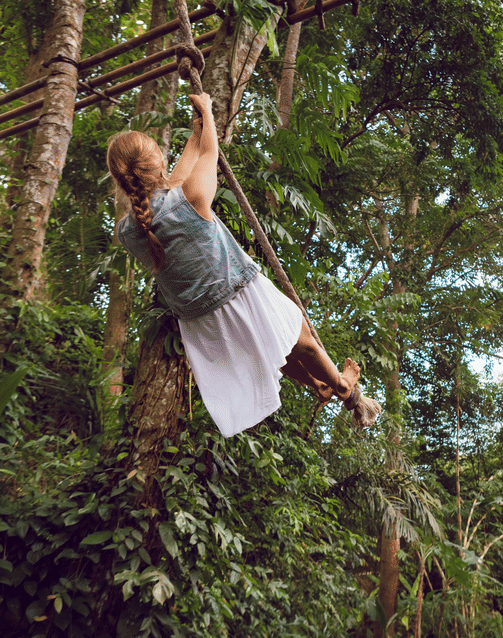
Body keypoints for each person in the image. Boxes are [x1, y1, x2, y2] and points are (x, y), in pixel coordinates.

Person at [108, 92, 374, 437]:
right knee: (301, 339)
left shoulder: (128, 231)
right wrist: (207, 112)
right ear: (157, 162)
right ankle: (340, 385)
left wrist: (194, 132)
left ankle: (315, 385)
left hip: (200, 319)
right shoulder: (192, 197)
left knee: (270, 346)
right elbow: (209, 154)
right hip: (237, 289)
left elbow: (173, 184)